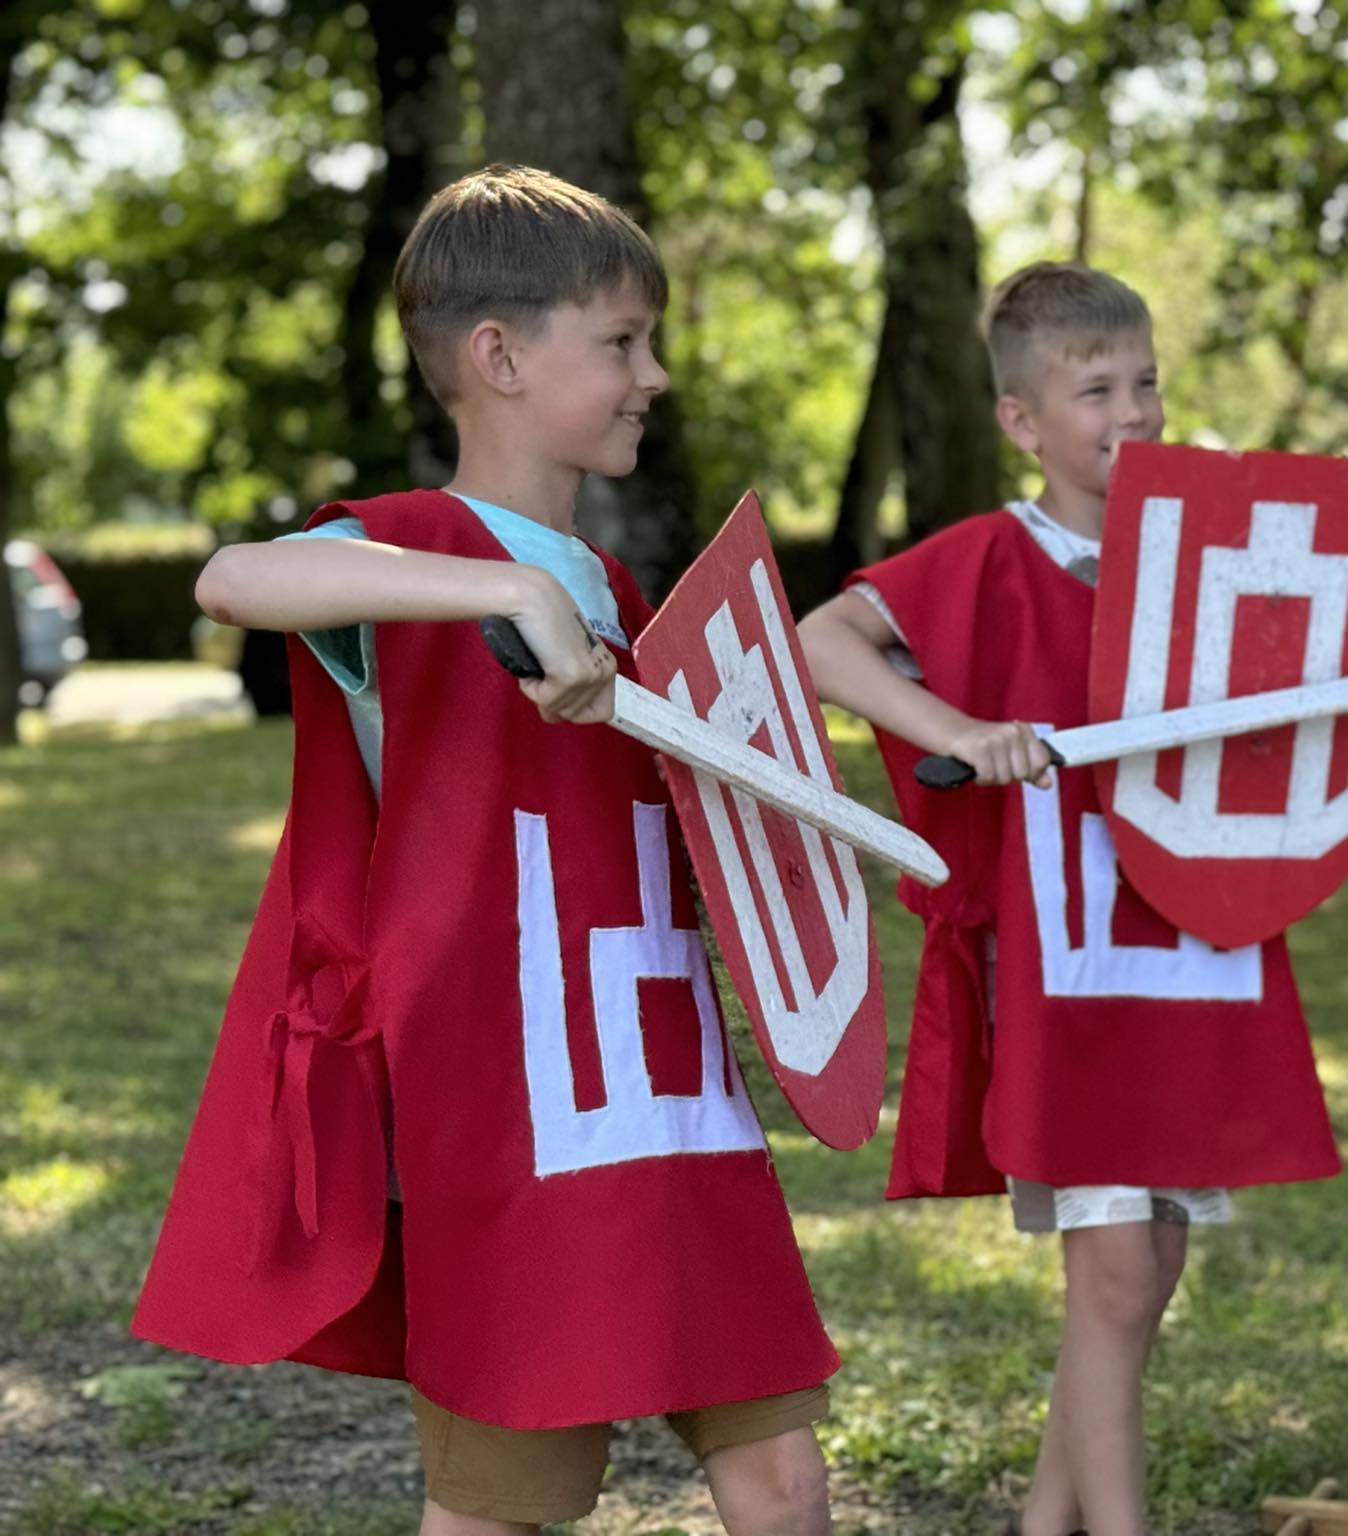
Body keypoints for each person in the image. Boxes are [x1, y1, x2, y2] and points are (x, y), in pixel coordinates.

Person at [135, 164, 838, 1536]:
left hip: (669, 1087)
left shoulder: (625, 595)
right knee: (502, 1510)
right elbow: (236, 579)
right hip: (509, 1111)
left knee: (780, 1471)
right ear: (500, 356)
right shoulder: (409, 554)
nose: (657, 376)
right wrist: (499, 586)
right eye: (624, 341)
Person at [797, 262, 1341, 1536]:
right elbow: (820, 639)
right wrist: (960, 725)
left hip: (1188, 947)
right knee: (1109, 1274)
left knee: (1147, 1268)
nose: (1134, 412)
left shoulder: (1195, 556)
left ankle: (1043, 1523)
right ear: (1024, 422)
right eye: (1095, 389)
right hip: (1065, 966)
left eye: (1145, 382)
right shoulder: (989, 556)